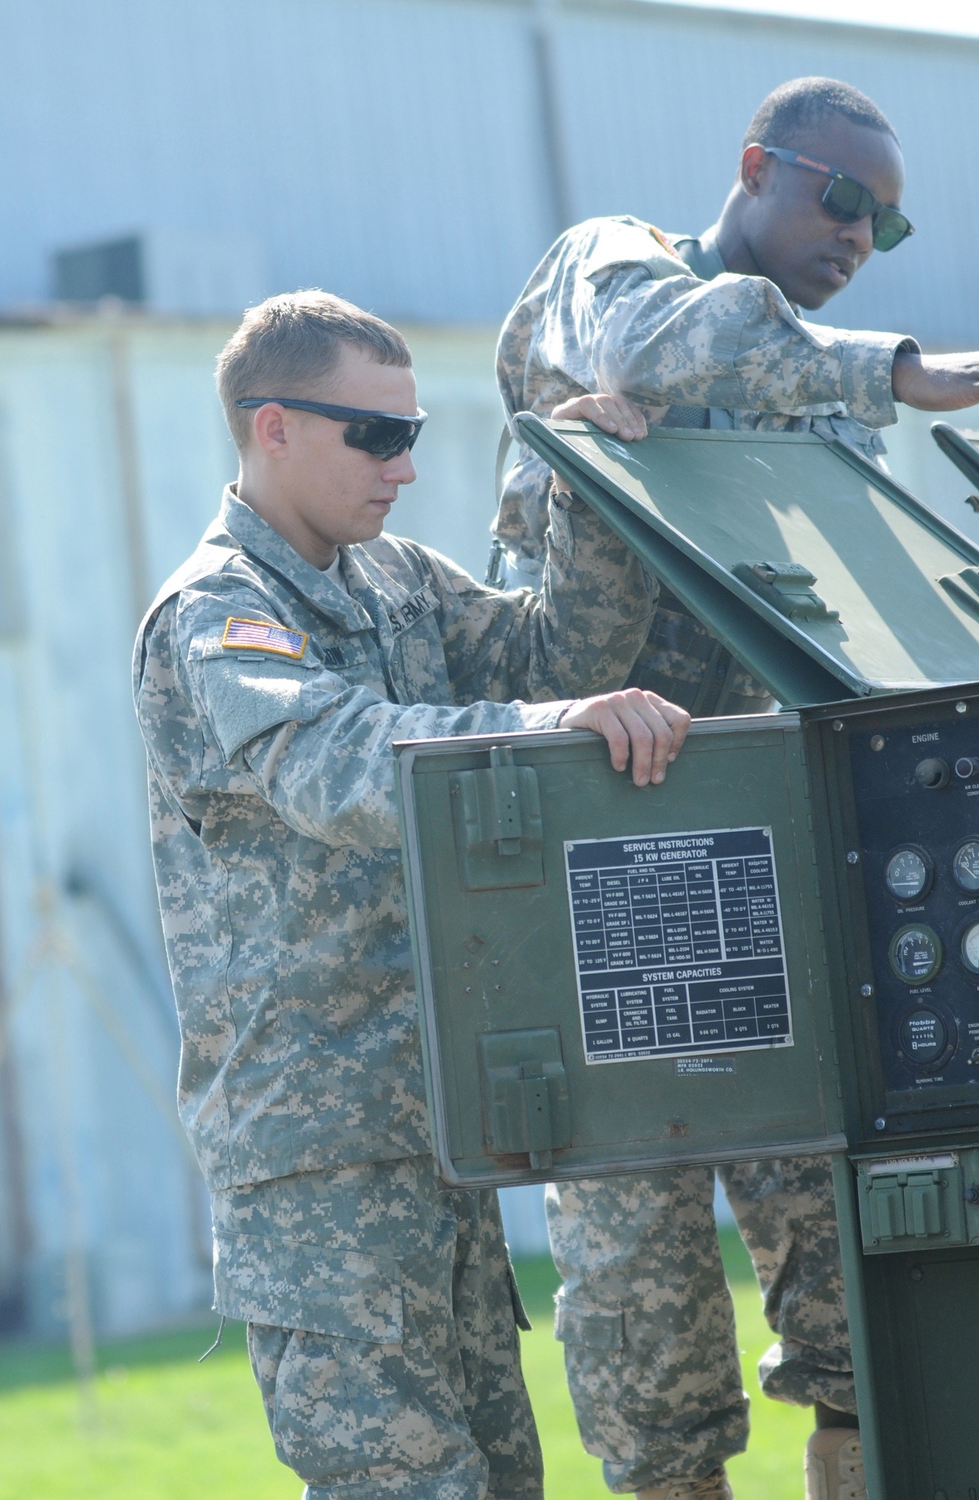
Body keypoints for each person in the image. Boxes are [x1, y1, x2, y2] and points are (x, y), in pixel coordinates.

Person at [492, 76, 979, 1500]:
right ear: (758, 170)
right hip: (604, 882)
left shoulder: (812, 417)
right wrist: (892, 367)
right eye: (842, 200)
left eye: (887, 227)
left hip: (773, 884)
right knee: (654, 1367)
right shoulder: (613, 271)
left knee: (854, 1318)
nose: (857, 239)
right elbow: (664, 338)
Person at [132, 288, 690, 1500]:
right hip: (319, 1152)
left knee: (497, 1482)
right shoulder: (220, 612)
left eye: (414, 435)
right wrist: (545, 725)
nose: (404, 469)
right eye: (375, 438)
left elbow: (558, 661)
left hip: (439, 1120)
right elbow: (335, 764)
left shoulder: (395, 582)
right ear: (272, 427)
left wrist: (575, 484)